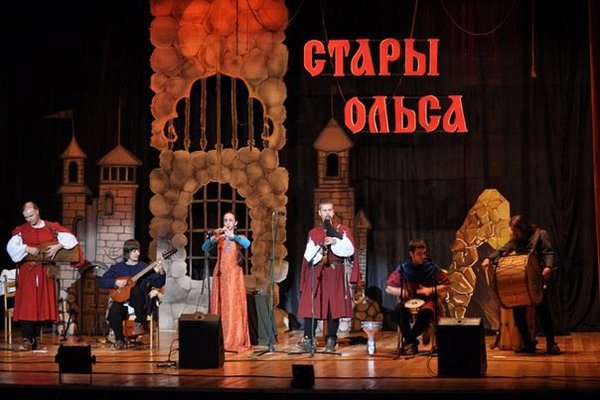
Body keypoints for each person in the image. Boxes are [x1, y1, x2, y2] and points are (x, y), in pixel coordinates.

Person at [482, 214, 561, 355]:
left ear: (523, 227)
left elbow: (548, 252)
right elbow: (502, 250)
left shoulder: (540, 235)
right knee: (518, 314)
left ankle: (551, 344)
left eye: (515, 230)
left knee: (544, 313)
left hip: (536, 279)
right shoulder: (516, 240)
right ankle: (528, 343)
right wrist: (489, 258)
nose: (514, 233)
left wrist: (548, 267)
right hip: (521, 282)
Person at [6, 201, 79, 351]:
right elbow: (11, 247)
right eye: (26, 217)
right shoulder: (22, 230)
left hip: (45, 271)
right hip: (28, 271)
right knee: (27, 305)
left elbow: (71, 239)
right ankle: (27, 339)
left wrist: (58, 246)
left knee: (41, 304)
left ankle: (36, 339)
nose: (29, 219)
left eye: (31, 215)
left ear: (37, 211)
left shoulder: (51, 227)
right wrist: (26, 248)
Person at [297, 201, 360, 353]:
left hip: (334, 272)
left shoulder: (342, 230)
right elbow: (308, 255)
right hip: (317, 272)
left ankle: (331, 339)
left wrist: (334, 241)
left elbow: (350, 250)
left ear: (333, 212)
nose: (327, 213)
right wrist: (319, 249)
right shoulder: (314, 232)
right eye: (324, 210)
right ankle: (309, 339)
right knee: (311, 303)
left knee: (334, 305)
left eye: (329, 210)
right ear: (319, 213)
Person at [385, 239, 450, 356]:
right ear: (411, 254)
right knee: (399, 310)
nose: (423, 256)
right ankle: (411, 341)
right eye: (419, 254)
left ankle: (409, 342)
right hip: (409, 301)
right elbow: (388, 288)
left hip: (427, 302)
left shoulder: (431, 268)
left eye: (424, 253)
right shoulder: (403, 268)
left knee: (427, 313)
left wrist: (429, 290)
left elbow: (447, 286)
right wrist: (401, 291)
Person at [100, 239, 165, 350]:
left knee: (136, 289)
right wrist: (116, 283)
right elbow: (103, 282)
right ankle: (119, 340)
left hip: (139, 304)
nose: (138, 253)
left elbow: (159, 283)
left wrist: (161, 271)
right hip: (123, 301)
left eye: (138, 251)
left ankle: (138, 323)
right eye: (134, 251)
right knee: (113, 312)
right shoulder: (117, 268)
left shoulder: (144, 267)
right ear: (127, 252)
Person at [202, 211, 251, 352]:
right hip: (220, 275)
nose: (227, 223)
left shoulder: (239, 238)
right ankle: (219, 339)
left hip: (234, 276)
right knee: (220, 305)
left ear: (235, 223)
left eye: (230, 220)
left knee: (232, 305)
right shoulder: (220, 237)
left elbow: (247, 244)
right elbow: (204, 248)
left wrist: (233, 237)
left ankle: (233, 338)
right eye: (225, 220)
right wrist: (213, 239)